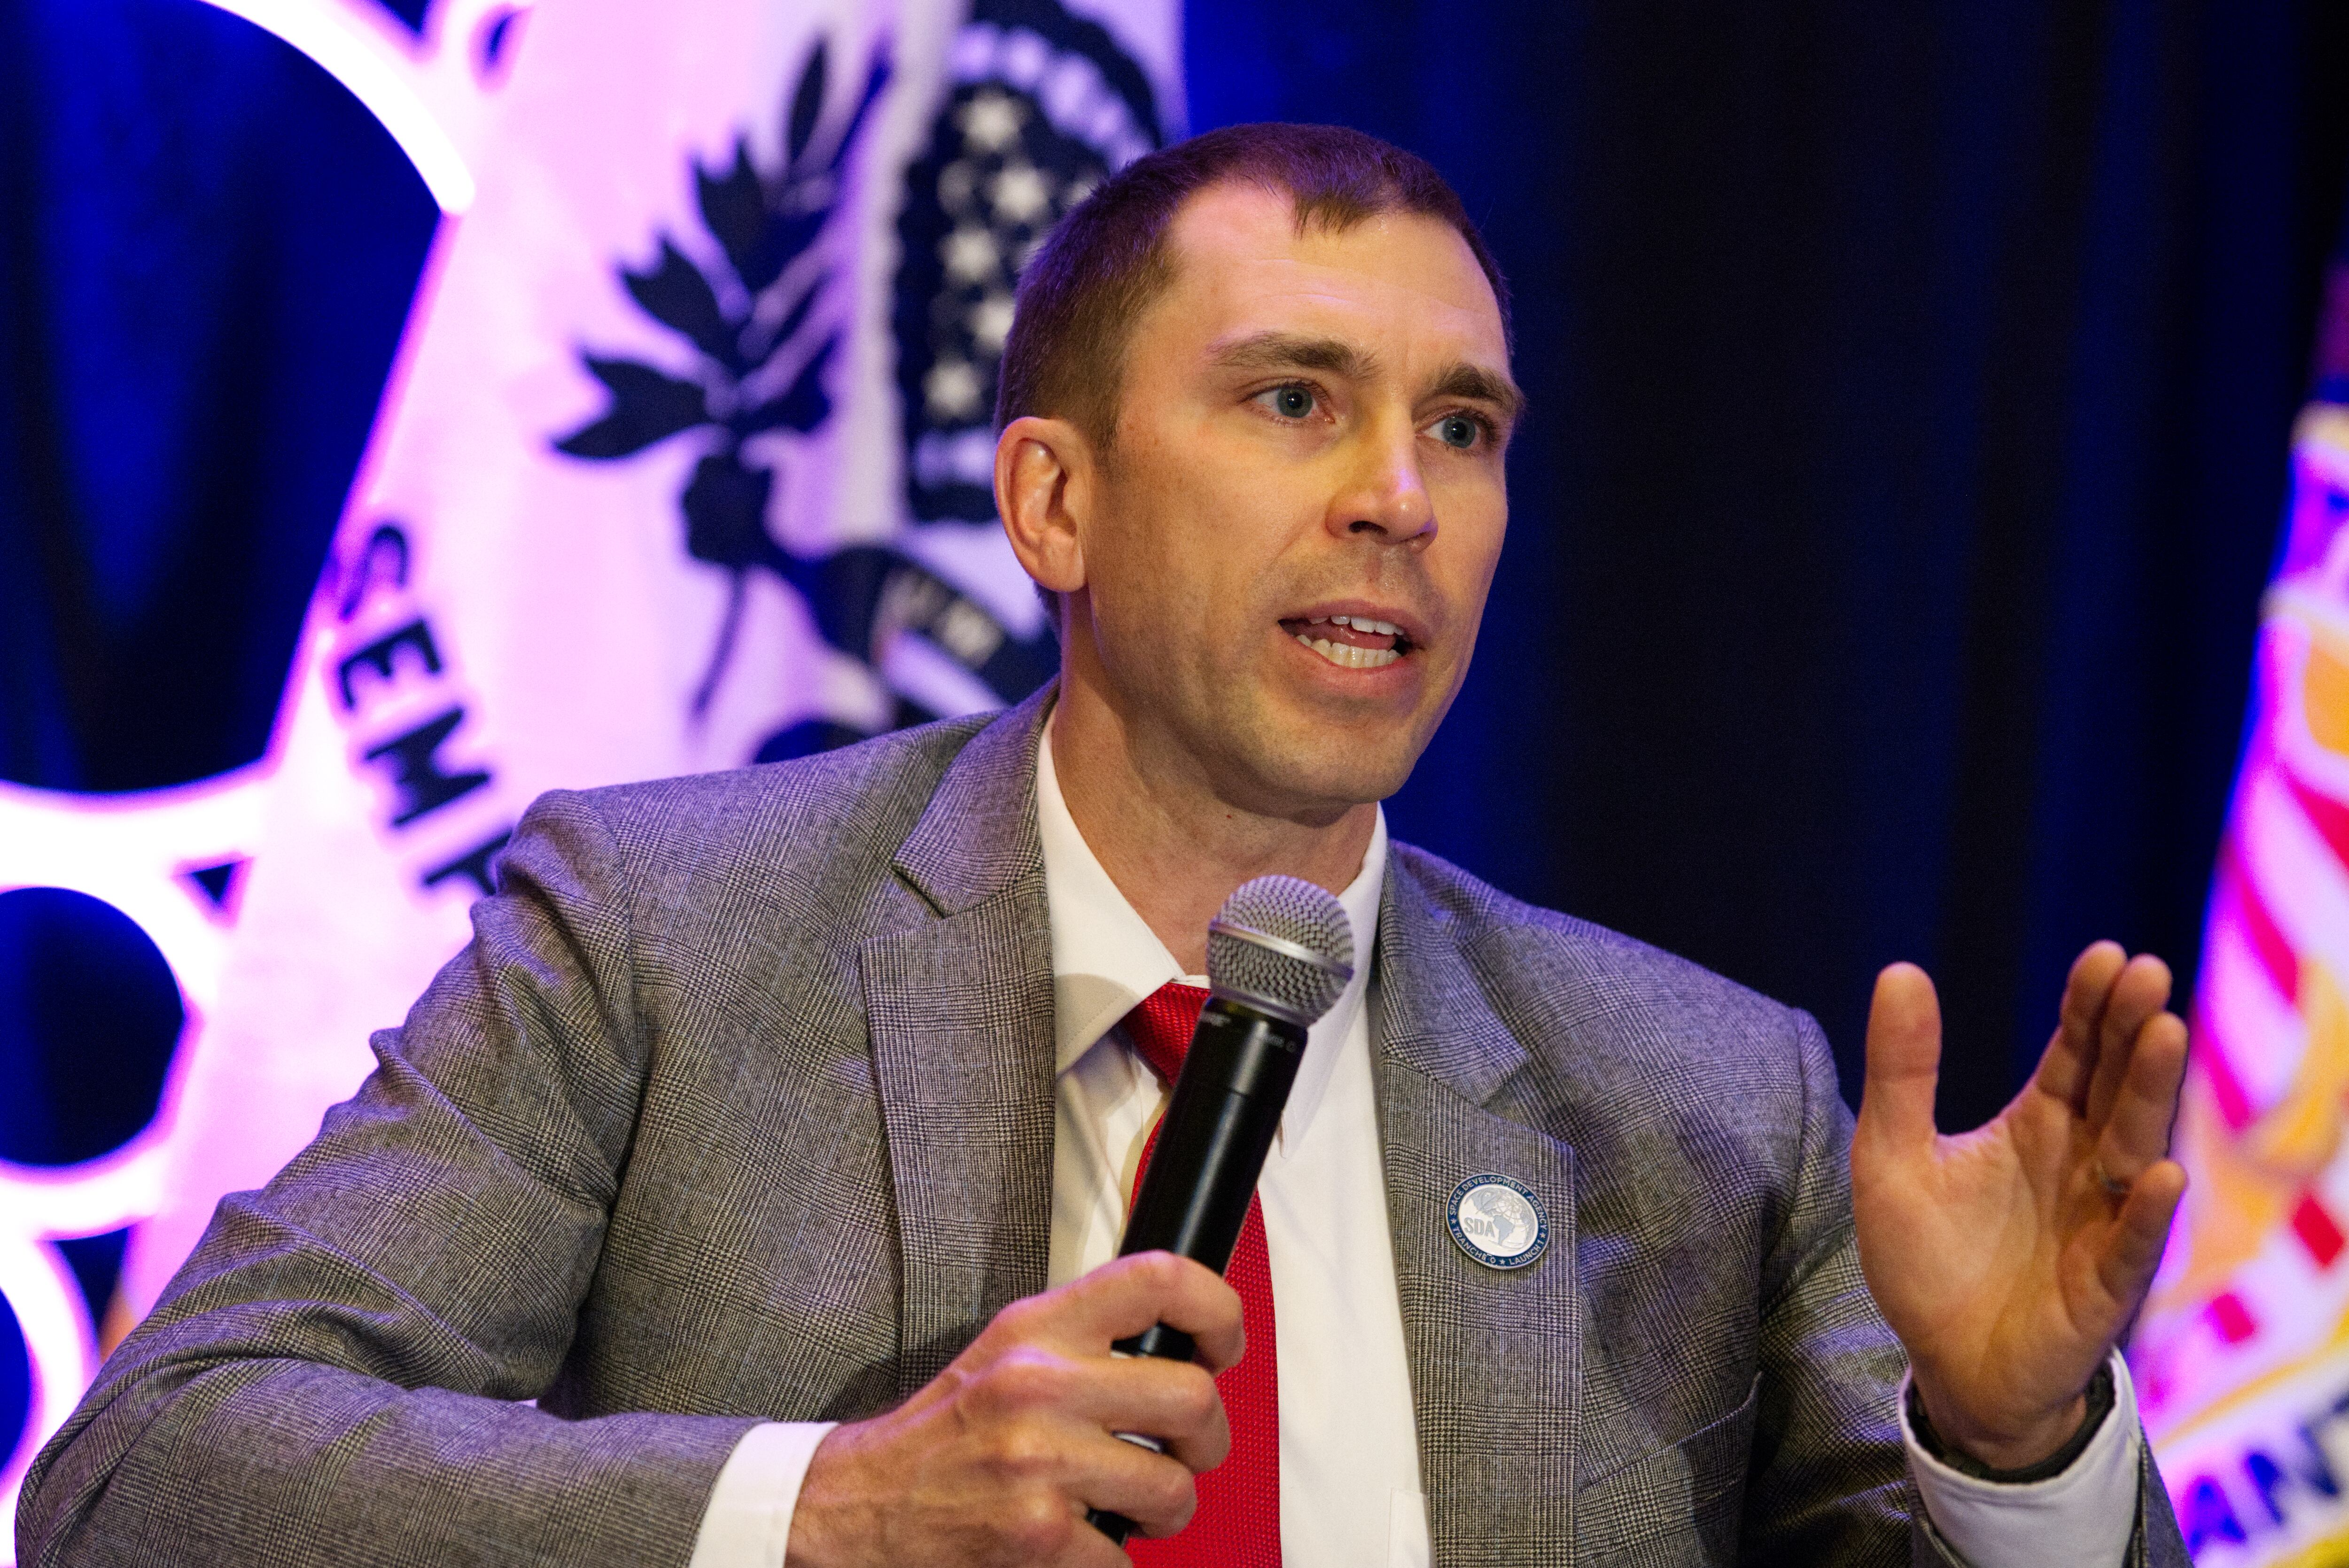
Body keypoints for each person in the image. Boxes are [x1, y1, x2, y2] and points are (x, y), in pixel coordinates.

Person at [18, 123, 2193, 1568]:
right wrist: (827, 1512)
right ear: (1052, 500)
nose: (1398, 498)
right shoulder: (664, 944)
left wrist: (2009, 1447)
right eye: (1289, 399)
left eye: (1461, 426)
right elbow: (149, 1473)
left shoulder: (1702, 1095)